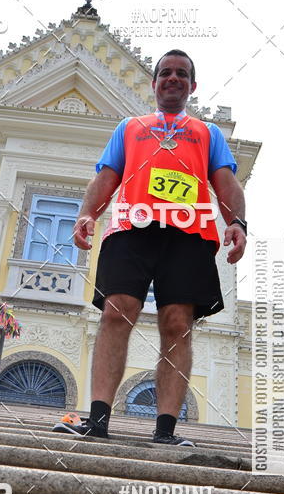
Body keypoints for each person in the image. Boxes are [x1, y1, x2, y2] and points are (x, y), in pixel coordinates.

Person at [53, 49, 247, 446]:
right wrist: (87, 214)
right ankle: (98, 420)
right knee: (116, 311)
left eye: (181, 74)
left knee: (177, 323)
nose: (172, 78)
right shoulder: (129, 127)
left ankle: (165, 431)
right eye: (164, 73)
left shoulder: (208, 133)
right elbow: (107, 177)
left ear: (192, 86)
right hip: (131, 228)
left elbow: (226, 183)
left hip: (188, 235)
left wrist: (237, 223)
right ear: (154, 83)